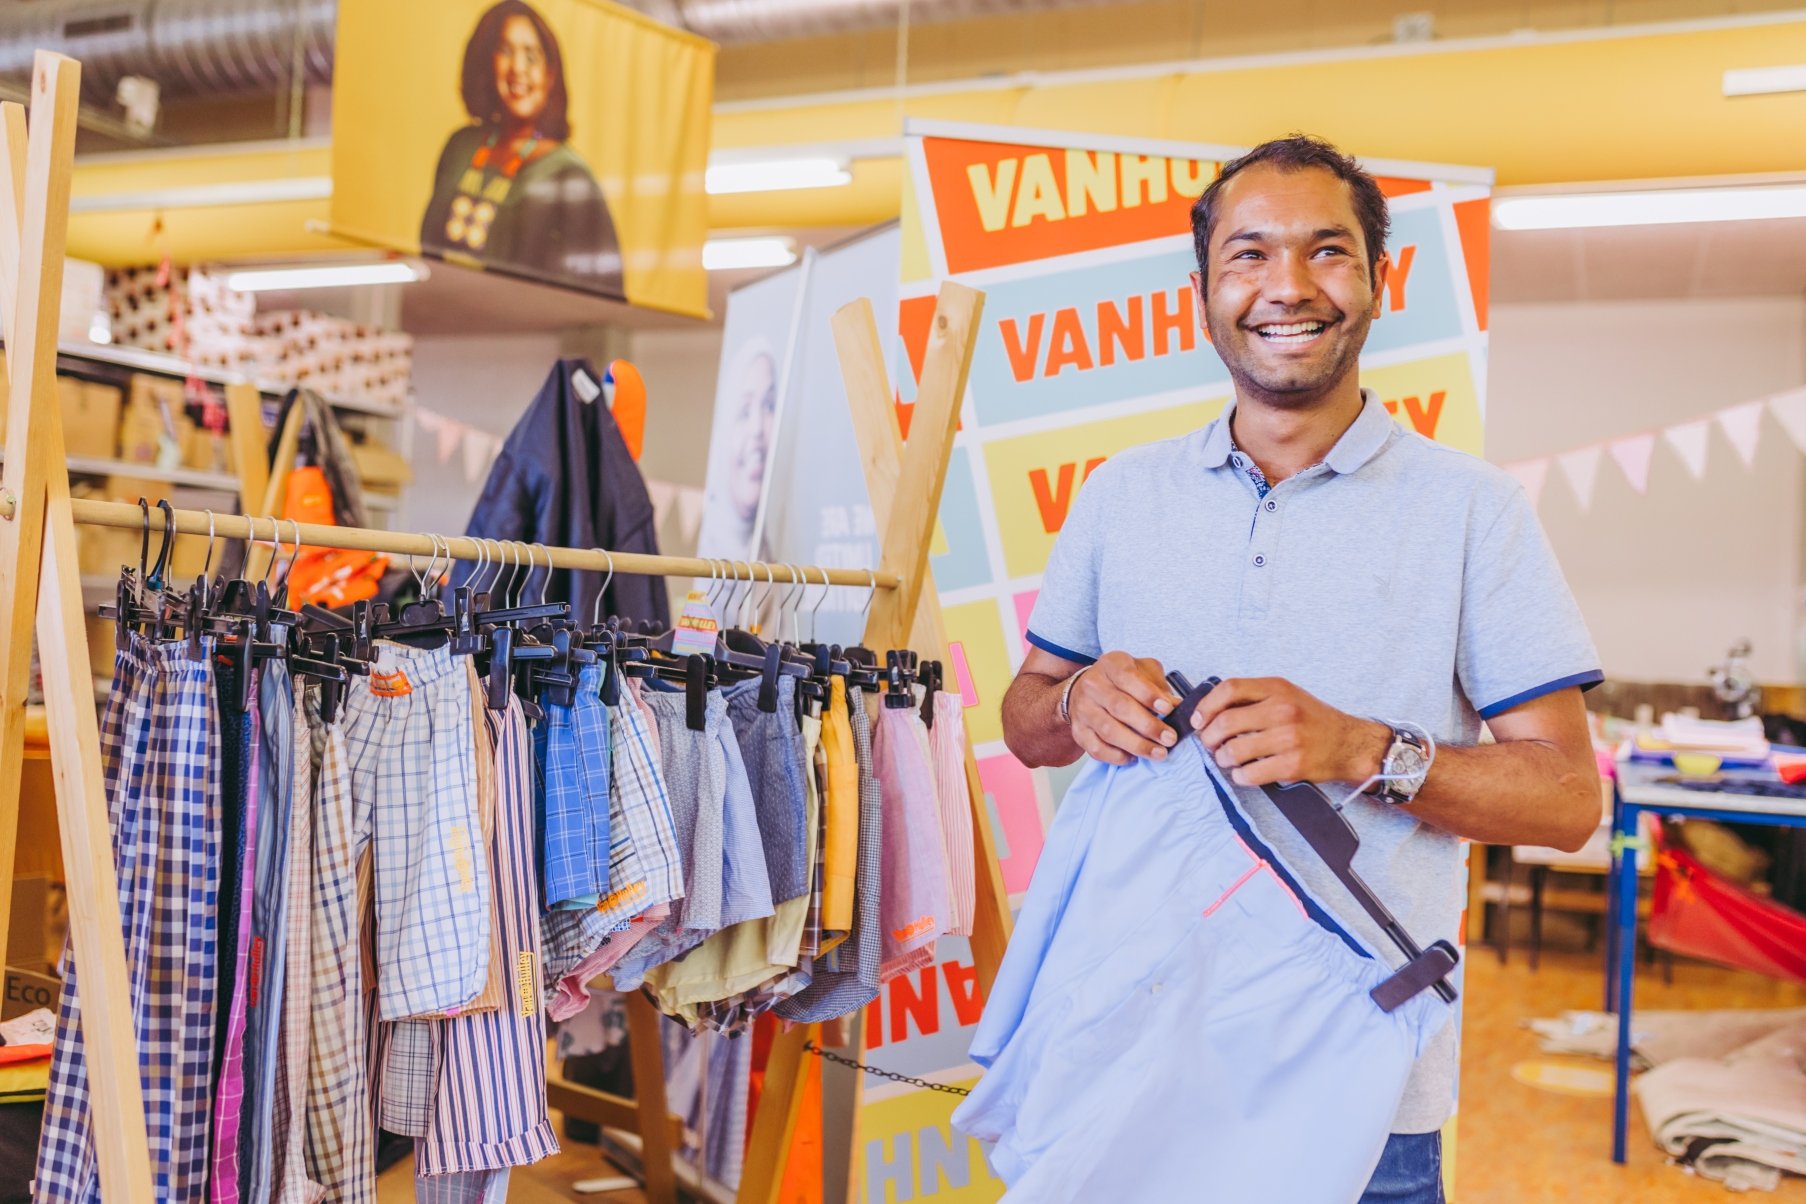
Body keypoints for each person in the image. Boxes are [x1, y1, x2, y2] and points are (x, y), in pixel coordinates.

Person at [997, 135, 1604, 1203]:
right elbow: (1025, 717)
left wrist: (1366, 748)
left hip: (1359, 1096)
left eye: (1328, 251)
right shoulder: (1119, 494)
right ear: (1203, 289)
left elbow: (1565, 800)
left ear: (1381, 280)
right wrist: (1076, 700)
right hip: (1135, 1065)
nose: (1287, 286)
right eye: (1249, 255)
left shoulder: (1472, 511)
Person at [419, 0, 624, 296]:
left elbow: (600, 296)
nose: (518, 68)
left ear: (550, 73)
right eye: (504, 51)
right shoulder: (460, 147)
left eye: (532, 56)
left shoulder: (569, 177)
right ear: (485, 62)